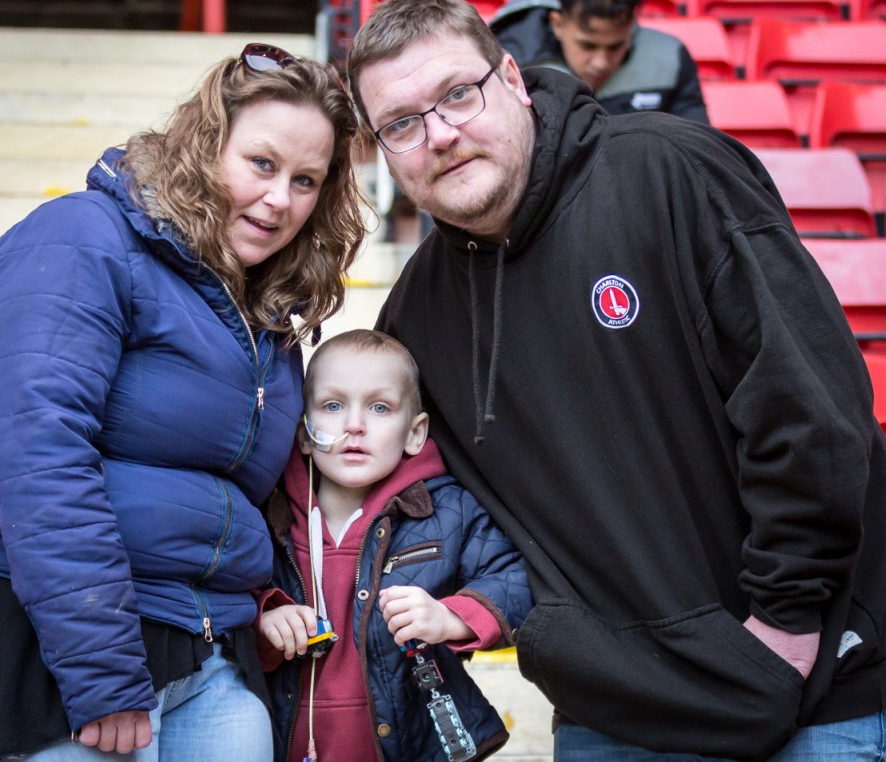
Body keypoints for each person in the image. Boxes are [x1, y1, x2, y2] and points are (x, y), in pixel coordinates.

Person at [345, 1, 886, 759]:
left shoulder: (673, 174)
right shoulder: (416, 314)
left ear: (513, 80)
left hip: (812, 689)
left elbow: (810, 412)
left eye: (458, 95)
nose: (439, 134)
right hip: (611, 716)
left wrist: (786, 623)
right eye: (401, 123)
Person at [0, 43, 366, 762]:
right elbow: (37, 454)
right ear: (204, 144)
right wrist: (101, 669)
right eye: (261, 163)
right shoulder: (83, 237)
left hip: (209, 654)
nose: (280, 199)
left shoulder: (268, 322)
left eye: (306, 180)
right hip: (54, 649)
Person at [256, 329, 533, 762]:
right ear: (304, 432)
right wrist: (265, 618)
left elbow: (517, 580)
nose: (354, 425)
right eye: (333, 406)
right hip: (284, 742)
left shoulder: (447, 510)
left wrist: (451, 617)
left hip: (408, 744)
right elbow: (226, 593)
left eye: (380, 407)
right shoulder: (269, 515)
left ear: (414, 433)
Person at [489, 0, 710, 122]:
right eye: (588, 46)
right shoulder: (507, 63)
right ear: (558, 25)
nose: (601, 63)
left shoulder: (670, 58)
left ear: (631, 25)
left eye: (615, 47)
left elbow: (697, 146)